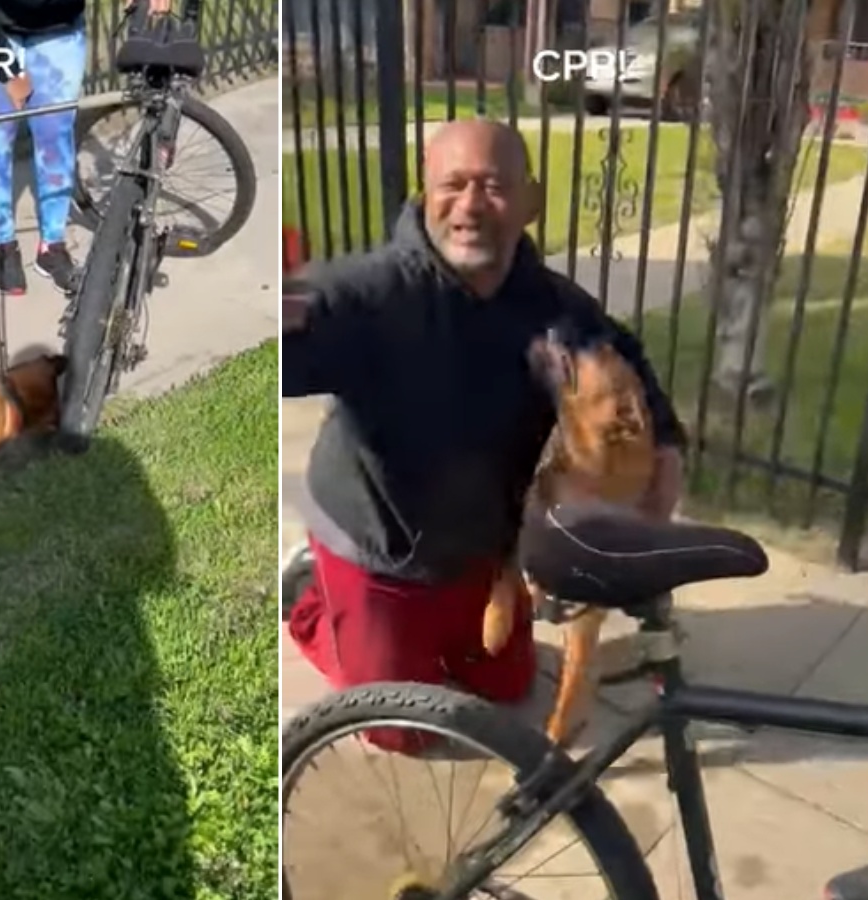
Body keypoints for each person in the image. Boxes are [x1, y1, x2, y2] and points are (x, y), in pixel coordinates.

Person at [281, 120, 687, 754]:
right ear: (426, 192)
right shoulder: (372, 296)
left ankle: (410, 628)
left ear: (530, 201)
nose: (471, 205)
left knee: (507, 683)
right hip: (380, 548)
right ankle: (311, 600)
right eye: (454, 184)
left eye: (494, 187)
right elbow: (303, 322)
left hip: (482, 549)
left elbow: (620, 358)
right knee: (400, 730)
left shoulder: (553, 307)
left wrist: (664, 444)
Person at [0, 0, 173, 296]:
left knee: (55, 134)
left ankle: (52, 245)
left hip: (59, 27)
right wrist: (9, 73)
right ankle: (3, 241)